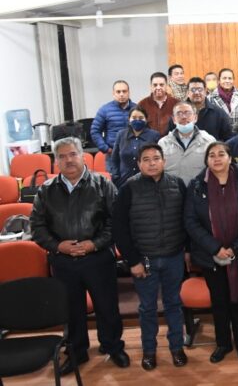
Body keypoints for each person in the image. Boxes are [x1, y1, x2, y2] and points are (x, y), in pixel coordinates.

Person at [30, 137, 130, 374]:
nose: (68, 160)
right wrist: (58, 246)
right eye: (62, 156)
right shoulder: (46, 190)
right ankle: (77, 352)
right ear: (56, 161)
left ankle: (113, 346)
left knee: (107, 307)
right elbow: (37, 227)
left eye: (72, 154)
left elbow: (115, 222)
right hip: (63, 262)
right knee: (72, 311)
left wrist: (94, 244)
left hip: (98, 259)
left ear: (82, 155)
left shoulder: (103, 184)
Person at [112, 144, 188, 370]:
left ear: (164, 161)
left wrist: (187, 250)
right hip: (144, 260)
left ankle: (177, 348)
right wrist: (132, 261)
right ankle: (149, 351)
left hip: (174, 256)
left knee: (174, 304)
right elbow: (119, 229)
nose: (152, 163)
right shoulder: (128, 188)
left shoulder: (177, 184)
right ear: (139, 164)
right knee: (147, 308)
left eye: (156, 158)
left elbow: (187, 220)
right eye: (146, 159)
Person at [185, 141, 238, 363]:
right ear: (206, 160)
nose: (216, 158)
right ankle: (223, 343)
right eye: (212, 155)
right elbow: (190, 222)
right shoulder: (196, 186)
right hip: (210, 256)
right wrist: (215, 248)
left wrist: (236, 248)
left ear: (230, 158)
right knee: (219, 301)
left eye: (221, 154)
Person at [159, 102, 216, 184]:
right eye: (179, 113)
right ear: (174, 119)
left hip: (199, 189)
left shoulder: (209, 141)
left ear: (195, 117)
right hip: (171, 190)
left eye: (188, 113)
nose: (184, 117)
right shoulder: (163, 143)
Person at [91, 79, 137, 171]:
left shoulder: (137, 108)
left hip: (134, 155)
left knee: (135, 180)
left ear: (129, 92)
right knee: (114, 179)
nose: (121, 94)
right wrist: (106, 149)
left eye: (124, 91)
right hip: (113, 155)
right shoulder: (105, 110)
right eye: (118, 92)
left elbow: (144, 130)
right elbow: (95, 131)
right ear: (113, 93)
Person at [109, 107, 161, 187]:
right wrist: (116, 175)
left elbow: (158, 158)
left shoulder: (154, 135)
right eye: (134, 118)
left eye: (141, 118)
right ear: (129, 120)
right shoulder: (121, 134)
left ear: (146, 120)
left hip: (147, 182)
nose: (137, 120)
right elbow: (114, 158)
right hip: (123, 181)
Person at [183, 77, 233, 141]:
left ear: (205, 92)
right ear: (187, 93)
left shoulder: (218, 113)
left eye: (200, 89)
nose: (197, 92)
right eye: (193, 90)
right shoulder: (179, 113)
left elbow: (228, 138)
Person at [208, 68, 238, 133]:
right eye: (224, 78)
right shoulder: (210, 98)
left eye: (230, 78)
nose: (227, 81)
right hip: (218, 135)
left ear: (233, 80)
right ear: (219, 80)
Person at [138, 71, 178, 137]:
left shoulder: (176, 104)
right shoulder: (142, 104)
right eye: (155, 85)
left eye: (161, 85)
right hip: (149, 141)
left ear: (166, 86)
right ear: (151, 86)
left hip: (170, 141)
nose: (158, 88)